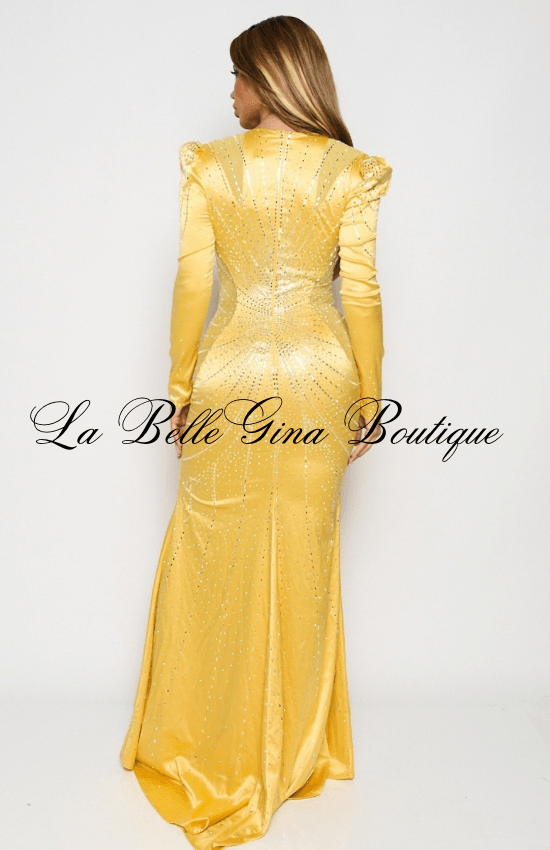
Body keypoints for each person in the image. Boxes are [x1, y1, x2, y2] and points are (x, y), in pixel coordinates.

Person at [119, 14, 392, 849]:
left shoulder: (210, 166)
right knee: (303, 552)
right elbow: (362, 294)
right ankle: (292, 746)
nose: (231, 92)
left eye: (237, 75)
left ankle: (204, 738)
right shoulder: (351, 172)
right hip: (321, 374)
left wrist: (178, 389)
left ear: (267, 79)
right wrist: (370, 396)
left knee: (213, 550)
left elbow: (192, 282)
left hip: (229, 375)